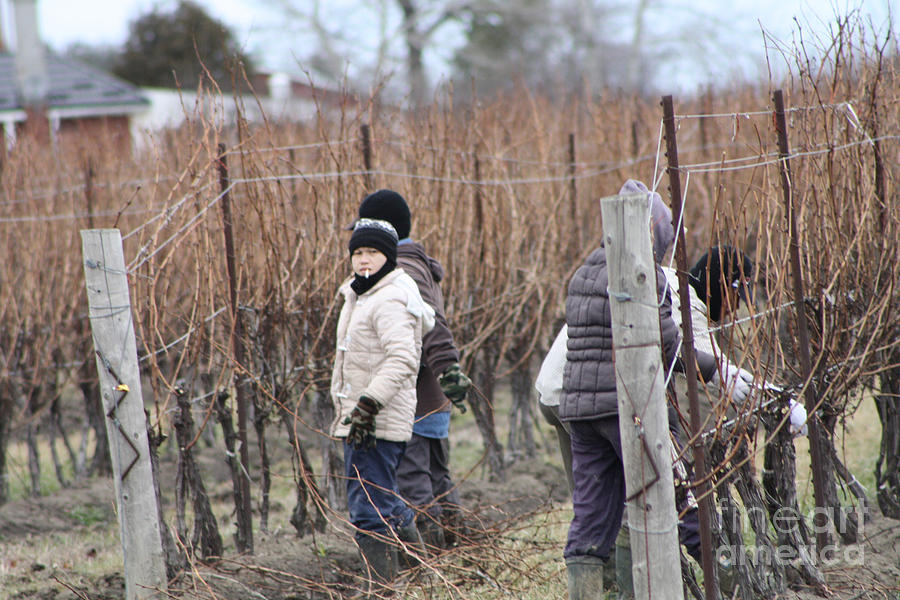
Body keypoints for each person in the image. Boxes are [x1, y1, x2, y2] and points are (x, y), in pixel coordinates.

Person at [353, 189, 472, 550]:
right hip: (429, 396)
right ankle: (458, 549)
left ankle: (431, 560)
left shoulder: (402, 271)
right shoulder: (416, 263)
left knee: (414, 481)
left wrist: (447, 368)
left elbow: (431, 325)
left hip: (414, 398)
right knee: (436, 476)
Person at [330, 217, 435, 588]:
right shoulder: (362, 292)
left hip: (373, 421)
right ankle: (422, 575)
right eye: (358, 252)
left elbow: (402, 359)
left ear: (388, 257)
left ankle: (383, 589)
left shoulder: (389, 297)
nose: (363, 260)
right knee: (384, 500)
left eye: (372, 252)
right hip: (362, 419)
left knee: (368, 510)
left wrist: (368, 404)